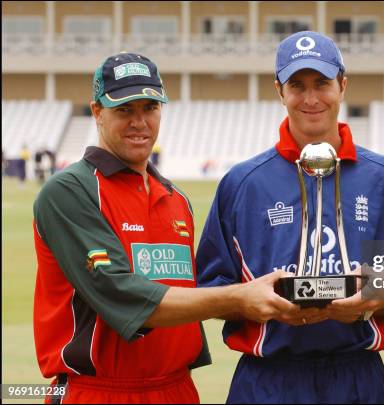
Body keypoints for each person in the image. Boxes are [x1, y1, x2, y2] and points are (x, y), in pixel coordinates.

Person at [33, 52, 297, 404]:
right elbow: (123, 296)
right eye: (124, 110)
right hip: (99, 392)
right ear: (97, 112)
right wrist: (240, 296)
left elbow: (195, 294)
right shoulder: (69, 192)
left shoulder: (176, 199)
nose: (139, 122)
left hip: (176, 389)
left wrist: (297, 296)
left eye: (149, 108)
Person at [195, 31, 384, 404]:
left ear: (343, 85)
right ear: (279, 91)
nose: (311, 98)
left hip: (358, 378)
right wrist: (247, 300)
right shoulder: (242, 182)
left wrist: (373, 297)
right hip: (267, 380)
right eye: (297, 85)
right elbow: (208, 289)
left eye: (322, 83)